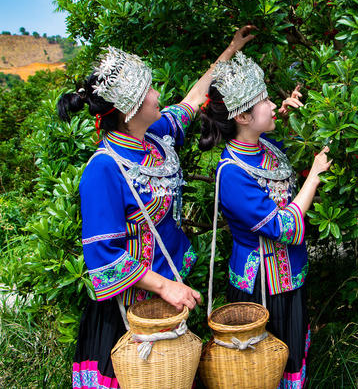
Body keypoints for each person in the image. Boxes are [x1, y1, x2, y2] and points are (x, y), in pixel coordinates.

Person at [57, 26, 256, 389]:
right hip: (131, 315)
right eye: (148, 90)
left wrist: (230, 49)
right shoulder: (103, 169)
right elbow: (103, 256)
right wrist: (165, 287)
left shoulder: (158, 136)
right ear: (129, 108)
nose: (157, 93)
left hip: (169, 301)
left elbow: (194, 99)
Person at [199, 51, 331, 389]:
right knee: (258, 371)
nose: (273, 105)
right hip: (260, 287)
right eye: (265, 101)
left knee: (289, 360)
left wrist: (284, 117)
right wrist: (314, 176)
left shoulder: (267, 147)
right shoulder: (231, 173)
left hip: (291, 277)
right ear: (242, 116)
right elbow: (283, 227)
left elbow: (293, 149)